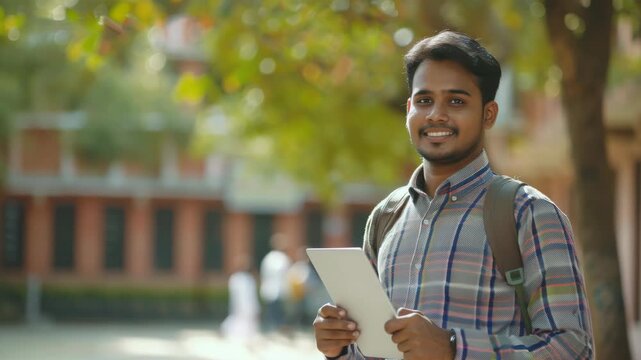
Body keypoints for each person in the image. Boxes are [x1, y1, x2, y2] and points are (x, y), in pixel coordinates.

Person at [312, 30, 594, 360]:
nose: (436, 115)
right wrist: (340, 348)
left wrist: (453, 348)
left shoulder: (529, 214)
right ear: (408, 109)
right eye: (424, 100)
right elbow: (374, 351)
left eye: (456, 101)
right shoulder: (386, 217)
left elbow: (574, 348)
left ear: (489, 114)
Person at [221, 253, 260, 343]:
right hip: (240, 306)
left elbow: (252, 296)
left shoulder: (248, 279)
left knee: (248, 325)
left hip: (248, 307)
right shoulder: (236, 278)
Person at [259, 232, 292, 333]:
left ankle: (275, 330)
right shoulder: (279, 258)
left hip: (272, 290)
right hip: (276, 291)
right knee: (276, 314)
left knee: (274, 313)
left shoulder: (269, 258)